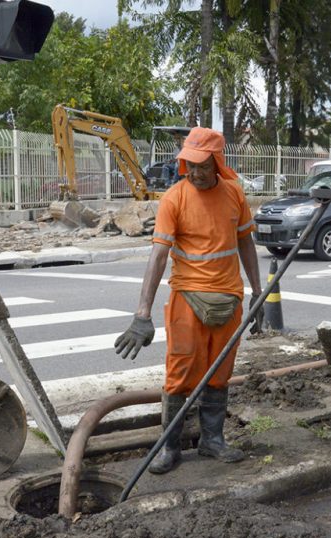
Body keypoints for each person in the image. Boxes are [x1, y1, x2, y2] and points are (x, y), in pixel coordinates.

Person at [114, 127, 264, 475]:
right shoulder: (174, 199)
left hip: (228, 298)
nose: (194, 172)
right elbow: (158, 256)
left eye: (201, 165)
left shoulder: (234, 195)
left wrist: (258, 292)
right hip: (187, 299)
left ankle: (212, 441)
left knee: (219, 374)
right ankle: (170, 447)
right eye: (189, 164)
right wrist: (142, 313)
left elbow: (246, 244)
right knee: (179, 375)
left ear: (217, 162)